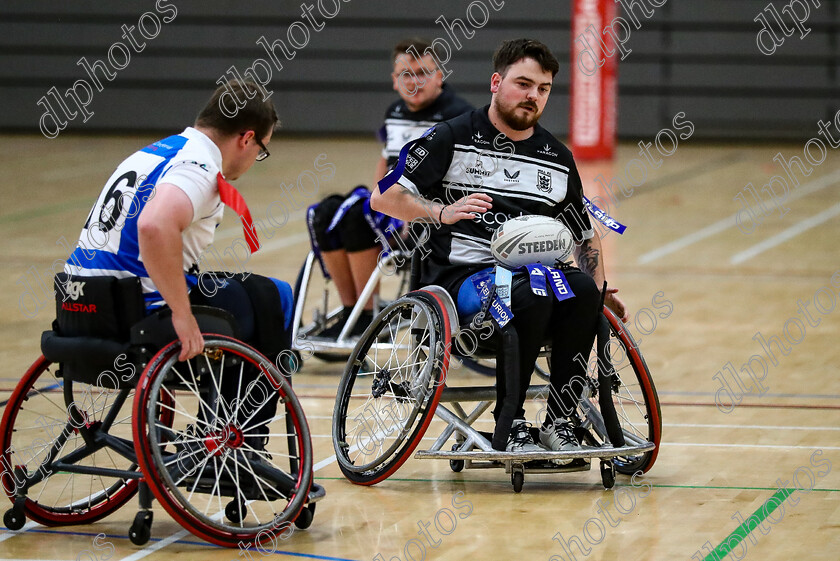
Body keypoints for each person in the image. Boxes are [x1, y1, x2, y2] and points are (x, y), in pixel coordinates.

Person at [370, 39, 629, 455]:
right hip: (462, 281)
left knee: (579, 291)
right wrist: (440, 212)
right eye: (523, 84)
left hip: (534, 275)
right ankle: (513, 421)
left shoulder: (556, 158)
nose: (533, 96)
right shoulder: (451, 136)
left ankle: (560, 419)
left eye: (543, 89)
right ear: (496, 82)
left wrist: (599, 287)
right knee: (528, 293)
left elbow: (583, 233)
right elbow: (383, 197)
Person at [63, 80, 290, 451]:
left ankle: (222, 429)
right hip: (134, 311)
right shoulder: (198, 166)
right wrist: (182, 314)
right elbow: (154, 225)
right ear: (247, 139)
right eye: (261, 150)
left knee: (247, 292)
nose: (254, 160)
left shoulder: (154, 152)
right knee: (271, 300)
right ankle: (232, 444)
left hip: (79, 299)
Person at [308, 37, 473, 339]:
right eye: (406, 75)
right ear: (394, 81)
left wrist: (415, 215)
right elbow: (385, 160)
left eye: (423, 73)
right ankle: (352, 311)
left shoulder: (459, 116)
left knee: (357, 219)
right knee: (326, 212)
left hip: (426, 216)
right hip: (392, 205)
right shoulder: (394, 112)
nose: (415, 82)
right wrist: (376, 198)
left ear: (440, 75)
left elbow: (463, 179)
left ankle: (367, 316)